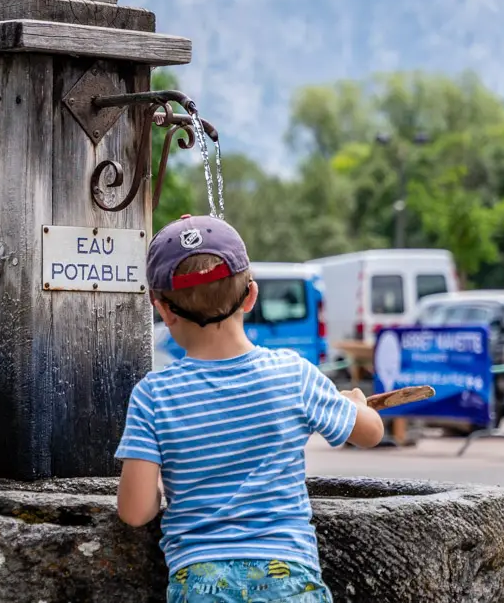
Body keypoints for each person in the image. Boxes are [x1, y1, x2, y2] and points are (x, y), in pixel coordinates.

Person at [116, 215, 386, 603]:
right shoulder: (292, 374)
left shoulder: (153, 395)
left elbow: (136, 512)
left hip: (201, 583)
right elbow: (371, 434)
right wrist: (357, 405)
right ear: (251, 296)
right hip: (289, 577)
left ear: (163, 309)